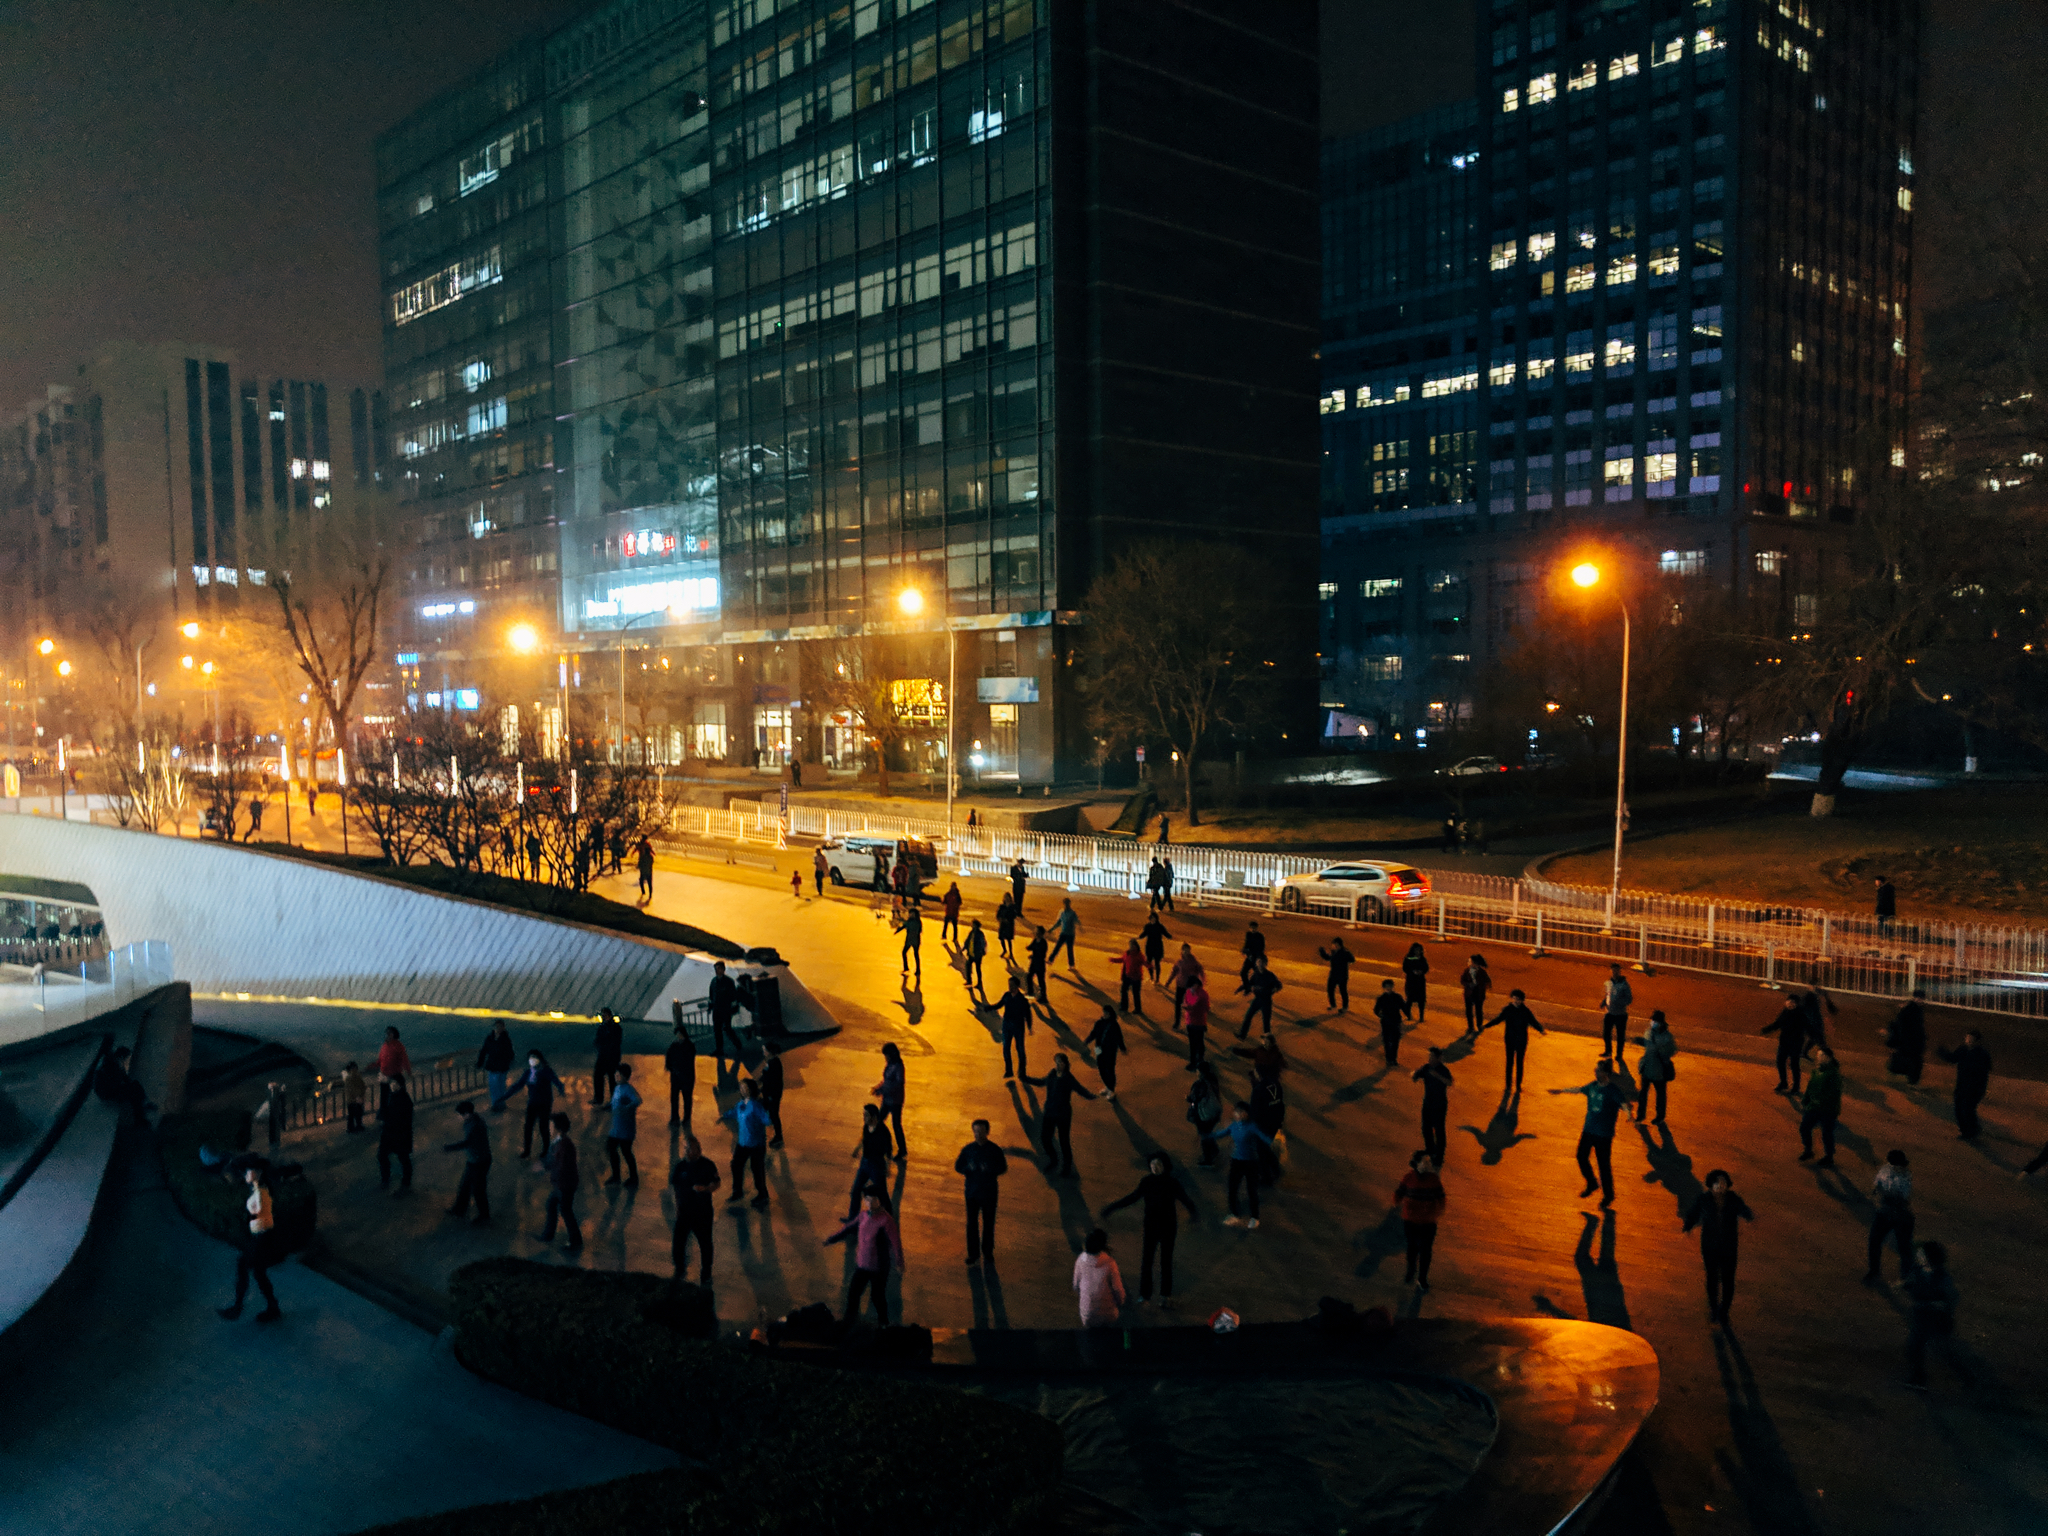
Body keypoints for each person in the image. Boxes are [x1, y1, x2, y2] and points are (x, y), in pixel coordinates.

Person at [1101, 1153, 1196, 1306]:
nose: (1154, 1167)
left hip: (1166, 1227)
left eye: (1158, 1164)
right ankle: (1150, 1296)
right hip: (1154, 1226)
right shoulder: (1148, 1182)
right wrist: (1112, 1208)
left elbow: (1185, 1199)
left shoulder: (1172, 1183)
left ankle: (1160, 1296)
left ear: (1165, 1166)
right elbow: (1132, 1197)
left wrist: (1193, 1212)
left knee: (1164, 1262)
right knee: (1149, 1262)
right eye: (1152, 1164)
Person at [1551, 1060, 1635, 1206]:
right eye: (1596, 1069)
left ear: (1606, 1074)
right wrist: (1562, 1090)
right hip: (1589, 1130)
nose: (1595, 1072)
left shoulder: (1613, 1090)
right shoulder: (1593, 1086)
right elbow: (1579, 1089)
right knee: (1581, 1156)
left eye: (1599, 1070)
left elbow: (1623, 1104)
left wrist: (1628, 1114)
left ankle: (1608, 1195)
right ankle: (1592, 1183)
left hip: (1604, 1134)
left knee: (1603, 1165)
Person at [1682, 1169, 1754, 1326]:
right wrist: (1688, 1225)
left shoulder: (1733, 1199)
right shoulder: (1704, 1199)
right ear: (1711, 1185)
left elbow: (1744, 1209)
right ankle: (1714, 1309)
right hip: (1710, 1245)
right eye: (1717, 1183)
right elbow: (1693, 1214)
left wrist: (1748, 1216)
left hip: (1728, 1246)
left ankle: (1724, 1311)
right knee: (1712, 1278)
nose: (1720, 1186)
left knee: (1728, 1280)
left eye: (1723, 1183)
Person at [216, 1158, 284, 1323]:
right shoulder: (258, 1189)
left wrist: (253, 1218)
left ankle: (238, 1307)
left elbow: (263, 1214)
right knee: (258, 1273)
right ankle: (271, 1307)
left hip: (261, 1238)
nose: (245, 1174)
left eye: (249, 1170)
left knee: (245, 1266)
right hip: (260, 1237)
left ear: (258, 1173)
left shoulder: (261, 1192)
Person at [827, 1190, 904, 1327]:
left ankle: (883, 1324)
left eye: (873, 1199)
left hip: (878, 1268)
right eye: (867, 1199)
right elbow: (848, 1228)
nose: (869, 1203)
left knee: (877, 1297)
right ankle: (849, 1323)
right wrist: (833, 1238)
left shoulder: (886, 1221)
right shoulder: (863, 1215)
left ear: (880, 1201)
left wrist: (899, 1262)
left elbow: (895, 1242)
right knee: (853, 1294)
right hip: (862, 1265)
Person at [1205, 1102, 1276, 1227]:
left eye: (1240, 1111)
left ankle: (1255, 1217)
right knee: (1232, 1189)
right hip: (1236, 1161)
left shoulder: (1252, 1126)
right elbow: (1222, 1133)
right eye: (1236, 1111)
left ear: (1246, 1114)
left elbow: (1264, 1137)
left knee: (1251, 1190)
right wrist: (1207, 1136)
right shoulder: (1234, 1126)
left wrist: (1273, 1141)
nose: (1237, 1114)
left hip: (1251, 1162)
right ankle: (1234, 1214)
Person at [1026, 1053, 1097, 1175]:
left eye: (1061, 1063)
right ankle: (1054, 1159)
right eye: (1057, 1062)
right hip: (1050, 1112)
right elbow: (1042, 1082)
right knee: (1045, 1138)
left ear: (1065, 1064)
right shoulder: (1052, 1074)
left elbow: (1079, 1089)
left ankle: (1067, 1166)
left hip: (1063, 1114)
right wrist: (1027, 1079)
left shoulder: (1068, 1078)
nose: (1058, 1065)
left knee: (1064, 1141)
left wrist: (1091, 1096)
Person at [1902, 1241, 1959, 1391]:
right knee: (1919, 1346)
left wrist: (1934, 1304)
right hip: (1923, 1316)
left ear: (1928, 1259)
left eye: (1921, 1254)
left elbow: (1949, 1300)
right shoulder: (1918, 1269)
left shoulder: (1942, 1278)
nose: (1917, 1255)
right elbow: (1912, 1282)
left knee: (1916, 1346)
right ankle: (1919, 1376)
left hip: (1934, 1319)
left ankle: (1919, 1379)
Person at [956, 1119, 1008, 1267]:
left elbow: (1002, 1168)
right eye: (976, 1131)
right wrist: (968, 1169)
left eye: (980, 1131)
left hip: (989, 1194)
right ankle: (973, 1254)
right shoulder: (968, 1150)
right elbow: (958, 1166)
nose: (977, 1134)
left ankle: (987, 1252)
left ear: (987, 1132)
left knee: (988, 1224)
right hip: (972, 1193)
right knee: (972, 1224)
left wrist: (990, 1170)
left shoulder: (994, 1150)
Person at [669, 1132, 718, 1284]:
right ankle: (679, 1268)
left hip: (702, 1213)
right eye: (685, 1148)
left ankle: (706, 1271)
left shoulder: (708, 1165)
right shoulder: (680, 1166)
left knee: (705, 1243)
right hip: (684, 1212)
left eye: (690, 1148)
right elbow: (676, 1187)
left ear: (699, 1149)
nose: (687, 1151)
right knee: (679, 1241)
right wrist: (677, 1207)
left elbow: (716, 1183)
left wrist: (706, 1189)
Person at [1394, 1150, 1446, 1289]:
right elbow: (1398, 1194)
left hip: (1427, 1222)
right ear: (1416, 1164)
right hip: (1411, 1221)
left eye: (1427, 1162)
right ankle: (1412, 1269)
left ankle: (1421, 1277)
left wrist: (1437, 1212)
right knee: (1412, 1248)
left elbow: (1441, 1198)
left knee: (1425, 1250)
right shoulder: (1408, 1178)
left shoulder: (1433, 1180)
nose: (1426, 1165)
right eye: (1424, 1162)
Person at [506, 1049, 569, 1159]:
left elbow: (556, 1081)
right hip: (532, 1103)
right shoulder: (528, 1072)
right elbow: (518, 1085)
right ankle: (527, 1150)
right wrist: (505, 1096)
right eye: (530, 1057)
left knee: (543, 1127)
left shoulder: (546, 1071)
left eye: (534, 1057)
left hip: (544, 1103)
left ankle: (545, 1149)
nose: (532, 1060)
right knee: (528, 1127)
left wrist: (561, 1089)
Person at [1481, 988, 1546, 1092]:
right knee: (1510, 1062)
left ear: (1521, 1000)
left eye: (1518, 999)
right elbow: (1498, 1019)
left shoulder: (1523, 1011)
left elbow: (1533, 1021)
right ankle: (1508, 1085)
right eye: (1515, 998)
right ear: (1512, 998)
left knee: (1519, 1063)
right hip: (1512, 1039)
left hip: (1520, 1039)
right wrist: (1486, 1026)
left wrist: (1540, 1029)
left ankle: (1517, 1085)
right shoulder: (1510, 1010)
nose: (1516, 1001)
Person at [722, 1078, 773, 1208]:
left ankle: (762, 1194)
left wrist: (769, 1111)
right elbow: (735, 1112)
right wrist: (725, 1115)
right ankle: (737, 1190)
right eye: (741, 1088)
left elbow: (767, 1120)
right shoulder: (741, 1104)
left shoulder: (756, 1106)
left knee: (757, 1170)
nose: (743, 1090)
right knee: (736, 1165)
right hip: (743, 1142)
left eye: (745, 1088)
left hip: (756, 1144)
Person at [1867, 1149, 1915, 1283]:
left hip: (1891, 1214)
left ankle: (1876, 1271)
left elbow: (1883, 1190)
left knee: (1878, 1242)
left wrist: (1883, 1193)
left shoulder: (1901, 1175)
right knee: (1902, 1247)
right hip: (1895, 1214)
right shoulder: (1899, 1173)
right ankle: (1904, 1276)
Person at [1937, 1030, 1993, 1141]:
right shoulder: (1963, 1050)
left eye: (1970, 1039)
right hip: (1962, 1086)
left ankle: (1971, 1132)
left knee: (1968, 1109)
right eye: (1967, 1038)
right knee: (1959, 1109)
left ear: (1977, 1041)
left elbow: (1984, 1070)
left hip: (1975, 1088)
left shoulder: (1982, 1054)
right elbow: (1953, 1058)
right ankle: (1966, 1131)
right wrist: (1942, 1052)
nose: (1968, 1041)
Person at [538, 1112, 583, 1252]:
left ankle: (575, 1241)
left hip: (564, 1185)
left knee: (565, 1211)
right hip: (562, 1184)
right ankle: (548, 1235)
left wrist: (545, 1168)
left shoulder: (563, 1145)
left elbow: (561, 1165)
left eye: (551, 1125)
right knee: (553, 1205)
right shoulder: (559, 1141)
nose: (549, 1128)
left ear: (557, 1127)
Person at [444, 1100, 493, 1224]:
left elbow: (467, 1142)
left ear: (467, 1113)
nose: (460, 1117)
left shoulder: (475, 1125)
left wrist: (450, 1148)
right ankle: (459, 1209)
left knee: (478, 1189)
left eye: (461, 1114)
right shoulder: (473, 1121)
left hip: (479, 1161)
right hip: (475, 1160)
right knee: (465, 1186)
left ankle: (483, 1215)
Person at [1796, 1047, 1843, 1166]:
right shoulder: (1817, 1071)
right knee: (1804, 1128)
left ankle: (1829, 1156)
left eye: (1822, 1056)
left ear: (1829, 1058)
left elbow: (1834, 1093)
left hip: (1828, 1110)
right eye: (1818, 1056)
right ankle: (1808, 1150)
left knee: (1826, 1133)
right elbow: (1810, 1087)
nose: (1819, 1058)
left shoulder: (1833, 1075)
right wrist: (1806, 1100)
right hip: (1814, 1107)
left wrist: (1818, 1101)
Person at [847, 1103, 895, 1218]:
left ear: (874, 1117)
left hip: (876, 1166)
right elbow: (863, 1138)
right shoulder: (866, 1127)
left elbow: (889, 1151)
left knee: (882, 1192)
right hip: (865, 1163)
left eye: (866, 1115)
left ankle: (889, 1217)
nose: (864, 1118)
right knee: (856, 1190)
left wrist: (888, 1168)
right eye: (864, 1115)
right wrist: (857, 1149)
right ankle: (852, 1218)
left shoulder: (883, 1132)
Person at [1072, 1228, 1126, 1327]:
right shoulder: (1110, 1263)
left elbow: (1076, 1286)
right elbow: (1118, 1290)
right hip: (1108, 1315)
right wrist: (1120, 1302)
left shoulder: (1080, 1260)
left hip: (1087, 1315)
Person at [1632, 1011, 1678, 1124]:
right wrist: (1640, 1041)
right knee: (1643, 1093)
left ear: (1661, 1022)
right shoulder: (1648, 1032)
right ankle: (1641, 1115)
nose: (1653, 1023)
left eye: (1655, 1021)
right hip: (1647, 1068)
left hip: (1659, 1071)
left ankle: (1660, 1116)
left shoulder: (1667, 1037)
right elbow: (1647, 1045)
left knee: (1660, 1095)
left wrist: (1660, 1050)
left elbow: (1673, 1050)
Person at [1412, 1048, 1454, 1165]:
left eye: (1432, 1057)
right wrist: (1415, 1074)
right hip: (1428, 1103)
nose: (1429, 1059)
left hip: (1439, 1105)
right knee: (1426, 1128)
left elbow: (1449, 1082)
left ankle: (1439, 1155)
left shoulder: (1443, 1070)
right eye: (1429, 1057)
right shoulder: (1426, 1067)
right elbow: (1415, 1076)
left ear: (1438, 1058)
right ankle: (1430, 1149)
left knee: (1439, 1130)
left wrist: (1437, 1076)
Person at [92, 1045, 152, 1127]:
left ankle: (143, 1103)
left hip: (111, 1089)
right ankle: (139, 1119)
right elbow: (114, 1084)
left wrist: (131, 1084)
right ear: (121, 1057)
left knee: (135, 1086)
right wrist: (128, 1087)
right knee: (134, 1095)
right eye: (126, 1058)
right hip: (107, 1093)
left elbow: (124, 1077)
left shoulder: (116, 1062)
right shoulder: (110, 1066)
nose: (127, 1061)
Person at [1762, 996, 1810, 1095]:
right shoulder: (1785, 1012)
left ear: (1796, 1004)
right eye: (1789, 1002)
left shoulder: (1800, 1015)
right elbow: (1778, 1024)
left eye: (1792, 1002)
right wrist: (1767, 1029)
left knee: (1794, 1065)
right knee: (1780, 1062)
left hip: (1795, 1043)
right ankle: (1784, 1082)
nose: (1790, 1004)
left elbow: (1808, 1028)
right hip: (1784, 1042)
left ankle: (1796, 1086)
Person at [603, 1063, 642, 1186]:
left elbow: (638, 1100)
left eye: (618, 1074)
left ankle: (632, 1178)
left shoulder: (628, 1089)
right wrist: (605, 1107)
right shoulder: (617, 1088)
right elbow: (614, 1103)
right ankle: (617, 1176)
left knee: (625, 1152)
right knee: (612, 1149)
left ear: (625, 1076)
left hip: (625, 1129)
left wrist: (626, 1108)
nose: (615, 1076)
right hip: (616, 1128)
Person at [1883, 990, 1928, 1085]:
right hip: (1910, 1041)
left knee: (1906, 1059)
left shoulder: (1910, 1009)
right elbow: (1903, 1025)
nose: (1920, 1000)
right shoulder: (1913, 1010)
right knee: (1913, 1062)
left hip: (1908, 1041)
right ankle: (1912, 1081)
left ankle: (1898, 1075)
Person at [377, 1076, 414, 1190]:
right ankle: (386, 1179)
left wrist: (386, 1118)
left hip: (400, 1135)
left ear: (400, 1085)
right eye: (391, 1083)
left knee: (403, 1159)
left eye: (395, 1083)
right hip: (390, 1133)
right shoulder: (392, 1096)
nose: (392, 1086)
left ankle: (404, 1183)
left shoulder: (404, 1100)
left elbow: (402, 1119)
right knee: (383, 1155)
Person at [665, 1008, 698, 1127]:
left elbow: (687, 1061)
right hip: (678, 1076)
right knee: (675, 1098)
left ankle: (685, 1117)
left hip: (685, 1077)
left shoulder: (688, 1046)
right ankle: (676, 1116)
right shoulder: (676, 1045)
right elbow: (668, 1058)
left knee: (685, 1098)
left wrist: (672, 1068)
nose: (678, 1037)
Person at [873, 1042, 907, 1158]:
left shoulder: (898, 1067)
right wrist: (879, 1088)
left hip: (895, 1101)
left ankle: (902, 1149)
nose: (885, 1058)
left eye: (886, 1055)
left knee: (896, 1125)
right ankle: (883, 1144)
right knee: (879, 1121)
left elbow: (898, 1084)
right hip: (887, 1099)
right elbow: (886, 1081)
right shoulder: (890, 1065)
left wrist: (883, 1091)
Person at [1236, 955, 1282, 1039]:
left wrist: (1273, 989)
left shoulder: (1269, 975)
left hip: (1266, 1001)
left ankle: (1267, 1042)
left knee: (1266, 1022)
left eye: (1261, 962)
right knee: (1248, 1016)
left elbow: (1278, 985)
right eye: (1258, 962)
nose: (1259, 964)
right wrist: (1241, 988)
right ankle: (1242, 1035)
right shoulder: (1256, 974)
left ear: (1265, 964)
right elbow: (1250, 983)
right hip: (1258, 1000)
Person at [1186, 1060, 1223, 1164]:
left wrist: (1188, 1098)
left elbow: (1194, 1098)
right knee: (1208, 1132)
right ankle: (1214, 1150)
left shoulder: (1200, 1084)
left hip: (1204, 1115)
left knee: (1204, 1136)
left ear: (1200, 1072)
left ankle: (1208, 1159)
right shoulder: (1212, 1078)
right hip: (1214, 1111)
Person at [1086, 1005, 1125, 1100]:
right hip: (1099, 1049)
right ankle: (1108, 1087)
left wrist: (1122, 1048)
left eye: (1106, 1013)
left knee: (1110, 1069)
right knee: (1101, 1068)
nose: (1104, 1014)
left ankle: (1111, 1090)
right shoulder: (1099, 1023)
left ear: (1110, 1014)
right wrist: (1087, 1041)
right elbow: (1094, 1033)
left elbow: (1119, 1038)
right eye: (1104, 1012)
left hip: (1110, 1051)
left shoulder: (1114, 1025)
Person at [999, 976, 1034, 1079]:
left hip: (1018, 1027)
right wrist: (987, 1008)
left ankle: (1022, 1072)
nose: (1010, 987)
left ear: (1017, 986)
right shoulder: (1007, 995)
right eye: (1009, 985)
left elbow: (1027, 1013)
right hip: (1007, 1025)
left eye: (1012, 985)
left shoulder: (1022, 1000)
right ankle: (1009, 1070)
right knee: (1006, 1048)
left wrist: (1029, 1026)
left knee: (1020, 1049)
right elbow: (999, 1004)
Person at [477, 1019, 516, 1112]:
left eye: (499, 1027)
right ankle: (497, 1104)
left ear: (503, 1028)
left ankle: (499, 1104)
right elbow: (484, 1050)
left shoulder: (505, 1039)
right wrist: (480, 1062)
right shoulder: (490, 1038)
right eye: (496, 1027)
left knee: (499, 1087)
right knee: (494, 1086)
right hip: (493, 1066)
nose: (498, 1029)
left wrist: (506, 1061)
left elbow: (510, 1053)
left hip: (501, 1067)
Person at [707, 962, 742, 1066]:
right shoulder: (714, 981)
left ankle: (738, 1044)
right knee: (717, 1030)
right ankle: (719, 1049)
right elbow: (711, 995)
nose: (717, 971)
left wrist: (733, 1009)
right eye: (716, 969)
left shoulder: (728, 982)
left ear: (723, 969)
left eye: (719, 968)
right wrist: (710, 1007)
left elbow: (733, 996)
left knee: (727, 1029)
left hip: (725, 1010)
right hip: (717, 1010)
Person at [1372, 978, 1412, 1067]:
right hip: (1387, 1021)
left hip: (1394, 1020)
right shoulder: (1382, 998)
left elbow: (1403, 1006)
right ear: (1384, 988)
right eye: (1387, 987)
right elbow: (1376, 1010)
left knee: (1395, 1040)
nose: (1388, 988)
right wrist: (1381, 1016)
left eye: (1389, 986)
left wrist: (1408, 1015)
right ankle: (1389, 1058)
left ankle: (1393, 1058)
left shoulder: (1396, 997)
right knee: (1387, 1040)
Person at [1598, 963, 1633, 1061]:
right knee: (1606, 1034)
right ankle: (1608, 1051)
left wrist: (1619, 1003)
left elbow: (1629, 999)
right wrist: (1604, 1002)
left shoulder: (1624, 985)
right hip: (1609, 1013)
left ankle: (1619, 1055)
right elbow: (1608, 995)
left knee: (1620, 1036)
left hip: (1620, 1015)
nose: (1614, 973)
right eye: (1613, 971)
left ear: (1619, 972)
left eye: (1616, 971)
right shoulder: (1609, 983)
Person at [591, 1007, 624, 1106]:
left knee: (607, 1078)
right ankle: (603, 1099)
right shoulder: (613, 1027)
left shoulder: (610, 1027)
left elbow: (612, 1042)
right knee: (606, 1078)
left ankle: (603, 1099)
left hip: (609, 1057)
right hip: (608, 1056)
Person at [758, 1040, 785, 1148]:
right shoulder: (773, 1062)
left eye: (764, 1050)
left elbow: (771, 1080)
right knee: (769, 1113)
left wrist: (767, 1093)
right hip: (771, 1094)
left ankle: (778, 1136)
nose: (763, 1052)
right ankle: (774, 1134)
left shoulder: (773, 1064)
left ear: (769, 1052)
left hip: (772, 1095)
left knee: (773, 1114)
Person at [1168, 944, 1204, 1024]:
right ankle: (1177, 1022)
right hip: (1180, 985)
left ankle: (1191, 1021)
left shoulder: (1193, 962)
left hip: (1189, 986)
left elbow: (1200, 970)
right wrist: (1168, 982)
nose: (1185, 952)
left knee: (1190, 1004)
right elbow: (1174, 972)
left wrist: (1201, 982)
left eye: (1187, 950)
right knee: (1178, 1004)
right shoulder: (1179, 962)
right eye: (1184, 950)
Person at [1181, 975, 1211, 1070]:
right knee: (1194, 1043)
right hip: (1190, 1021)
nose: (1191, 988)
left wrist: (1188, 1007)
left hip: (1198, 1022)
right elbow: (1186, 1002)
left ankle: (1197, 1060)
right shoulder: (1189, 991)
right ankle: (1195, 1060)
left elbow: (1195, 1006)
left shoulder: (1202, 995)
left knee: (1197, 1042)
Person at [1319, 936, 1355, 1012]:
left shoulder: (1344, 952)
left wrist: (1345, 958)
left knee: (1343, 991)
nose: (1332, 946)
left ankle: (1345, 1007)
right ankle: (1333, 1005)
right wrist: (1322, 952)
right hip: (1334, 974)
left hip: (1342, 975)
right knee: (1330, 990)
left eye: (1334, 944)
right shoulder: (1334, 952)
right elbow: (1328, 958)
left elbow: (1352, 959)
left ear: (1338, 945)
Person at [1459, 954, 1491, 1036]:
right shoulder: (1467, 971)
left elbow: (1487, 981)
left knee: (1478, 1011)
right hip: (1469, 994)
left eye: (1470, 961)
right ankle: (1471, 1027)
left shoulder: (1482, 972)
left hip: (1478, 994)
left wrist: (1484, 986)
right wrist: (1468, 984)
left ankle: (1479, 1025)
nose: (1468, 963)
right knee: (1469, 1011)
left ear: (1475, 963)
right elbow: (1462, 980)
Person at [1140, 911, 1172, 983]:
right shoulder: (1147, 926)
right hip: (1149, 947)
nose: (1152, 919)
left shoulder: (1160, 926)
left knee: (1157, 963)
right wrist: (1138, 937)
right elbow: (1144, 934)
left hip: (1157, 947)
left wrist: (1170, 937)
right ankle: (1151, 977)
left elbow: (1165, 933)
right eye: (1151, 918)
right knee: (1149, 963)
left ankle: (1157, 979)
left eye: (1153, 918)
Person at [1402, 942, 1430, 1021]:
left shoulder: (1422, 959)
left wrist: (1421, 971)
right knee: (1410, 999)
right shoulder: (1408, 958)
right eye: (1416, 950)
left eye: (1419, 950)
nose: (1418, 952)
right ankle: (1408, 1015)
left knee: (1421, 1000)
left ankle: (1421, 1017)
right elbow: (1405, 968)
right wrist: (1412, 972)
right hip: (1411, 982)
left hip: (1420, 982)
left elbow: (1426, 968)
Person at [1050, 898, 1080, 968]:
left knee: (1069, 950)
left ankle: (1071, 964)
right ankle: (1051, 960)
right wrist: (1052, 929)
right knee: (1057, 947)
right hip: (1063, 933)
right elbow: (1059, 922)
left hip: (1070, 934)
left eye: (1067, 903)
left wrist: (1080, 927)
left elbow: (1077, 921)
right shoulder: (1062, 912)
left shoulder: (1072, 913)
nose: (1066, 905)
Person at [963, 918, 989, 998]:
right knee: (968, 966)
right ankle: (969, 981)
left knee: (978, 969)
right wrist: (963, 948)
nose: (972, 925)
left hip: (977, 954)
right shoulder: (972, 932)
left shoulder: (980, 934)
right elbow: (968, 941)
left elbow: (983, 943)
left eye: (973, 924)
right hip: (971, 954)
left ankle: (979, 983)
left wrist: (982, 951)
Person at [898, 902, 923, 980]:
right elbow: (903, 926)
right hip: (910, 939)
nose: (911, 915)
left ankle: (917, 969)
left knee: (915, 954)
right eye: (910, 913)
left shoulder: (916, 922)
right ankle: (907, 967)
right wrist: (898, 930)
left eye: (912, 914)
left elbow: (916, 930)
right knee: (905, 952)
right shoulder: (913, 921)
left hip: (914, 940)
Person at [1238, 921, 1266, 986]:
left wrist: (1257, 956)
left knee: (1258, 974)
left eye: (1254, 928)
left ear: (1256, 928)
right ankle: (1247, 985)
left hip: (1256, 958)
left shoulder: (1260, 936)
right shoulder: (1248, 934)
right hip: (1250, 957)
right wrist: (1244, 949)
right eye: (1251, 928)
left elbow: (1261, 948)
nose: (1253, 929)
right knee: (1243, 973)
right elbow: (1247, 944)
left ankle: (1259, 986)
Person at [341, 1062, 367, 1133]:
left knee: (352, 1115)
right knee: (357, 1114)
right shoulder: (355, 1076)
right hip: (356, 1099)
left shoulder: (348, 1078)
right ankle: (357, 1126)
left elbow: (351, 1089)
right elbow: (362, 1086)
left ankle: (351, 1128)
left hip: (352, 1100)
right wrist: (360, 1096)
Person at [1025, 926, 1050, 1001]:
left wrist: (1033, 956)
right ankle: (1030, 991)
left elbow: (1041, 954)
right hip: (1034, 963)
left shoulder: (1043, 943)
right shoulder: (1035, 940)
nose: (1036, 933)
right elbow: (1031, 947)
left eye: (1037, 932)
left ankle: (1043, 996)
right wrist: (1028, 948)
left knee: (1040, 980)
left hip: (1039, 964)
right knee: (1029, 977)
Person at [995, 894, 1018, 961]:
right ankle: (1004, 950)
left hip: (1009, 925)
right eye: (1005, 898)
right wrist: (1000, 919)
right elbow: (998, 914)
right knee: (1001, 938)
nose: (1006, 899)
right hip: (1002, 924)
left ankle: (1011, 953)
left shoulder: (1012, 907)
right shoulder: (1002, 906)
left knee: (1009, 939)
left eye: (1008, 898)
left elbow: (1014, 915)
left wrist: (1008, 919)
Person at [636, 834, 656, 900]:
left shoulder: (641, 844)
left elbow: (637, 848)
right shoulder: (650, 857)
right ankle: (650, 895)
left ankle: (643, 891)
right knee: (650, 883)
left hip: (643, 871)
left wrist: (639, 866)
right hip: (649, 871)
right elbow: (652, 862)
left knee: (641, 881)